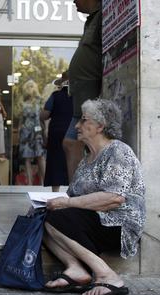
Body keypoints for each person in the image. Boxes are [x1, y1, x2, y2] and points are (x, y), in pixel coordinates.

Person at [43, 99, 145, 295]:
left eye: (83, 120)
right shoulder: (87, 159)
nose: (77, 126)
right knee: (42, 215)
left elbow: (114, 198)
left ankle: (108, 275)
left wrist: (67, 203)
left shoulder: (117, 151)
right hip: (95, 219)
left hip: (118, 223)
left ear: (100, 126)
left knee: (57, 219)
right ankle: (75, 269)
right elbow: (72, 196)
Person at [63, 0, 102, 182]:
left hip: (91, 96)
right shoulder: (91, 20)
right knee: (73, 144)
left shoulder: (102, 17)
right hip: (82, 97)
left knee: (73, 143)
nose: (73, 1)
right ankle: (77, 194)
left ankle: (77, 195)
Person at [40, 72, 73, 192]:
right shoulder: (78, 97)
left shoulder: (55, 95)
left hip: (56, 133)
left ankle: (55, 192)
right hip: (73, 133)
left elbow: (44, 115)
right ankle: (73, 191)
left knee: (55, 161)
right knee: (72, 160)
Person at [18, 80, 46, 185]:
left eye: (32, 86)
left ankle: (44, 182)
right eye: (28, 86)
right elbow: (21, 118)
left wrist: (45, 129)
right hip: (25, 132)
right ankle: (29, 183)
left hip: (37, 131)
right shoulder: (23, 102)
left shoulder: (40, 101)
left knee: (40, 156)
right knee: (27, 158)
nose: (30, 88)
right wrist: (19, 128)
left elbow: (44, 117)